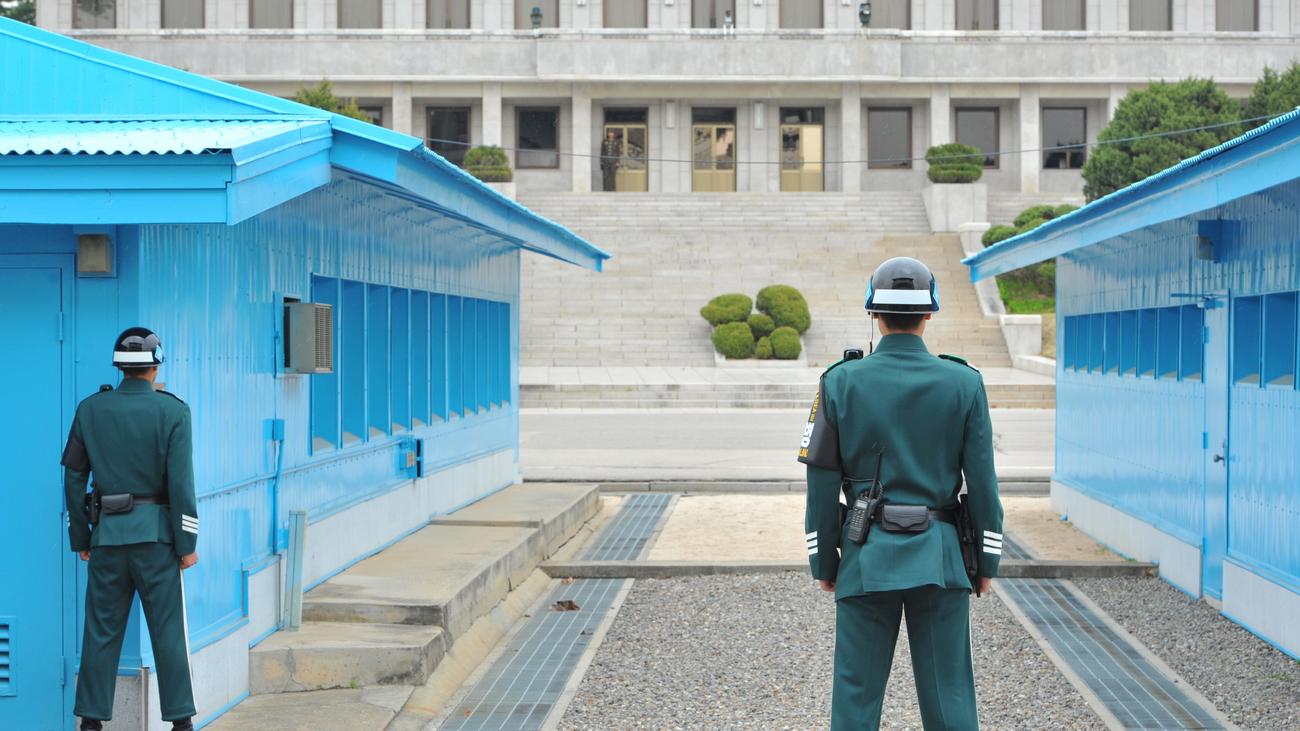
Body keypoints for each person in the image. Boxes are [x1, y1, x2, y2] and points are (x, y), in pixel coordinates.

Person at [799, 257, 1004, 730]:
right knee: (950, 695)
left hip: (866, 556)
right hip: (941, 558)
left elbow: (821, 485)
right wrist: (986, 562)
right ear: (929, 313)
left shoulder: (838, 382)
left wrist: (825, 563)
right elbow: (983, 483)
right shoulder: (965, 382)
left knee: (855, 698)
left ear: (874, 313)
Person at [62, 327, 199, 731]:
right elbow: (181, 485)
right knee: (168, 632)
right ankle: (181, 723)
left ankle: (90, 722)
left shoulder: (90, 410)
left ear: (119, 367)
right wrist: (186, 543)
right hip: (157, 541)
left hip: (107, 538)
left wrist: (82, 537)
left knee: (101, 632)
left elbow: (73, 479)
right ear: (156, 367)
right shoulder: (174, 412)